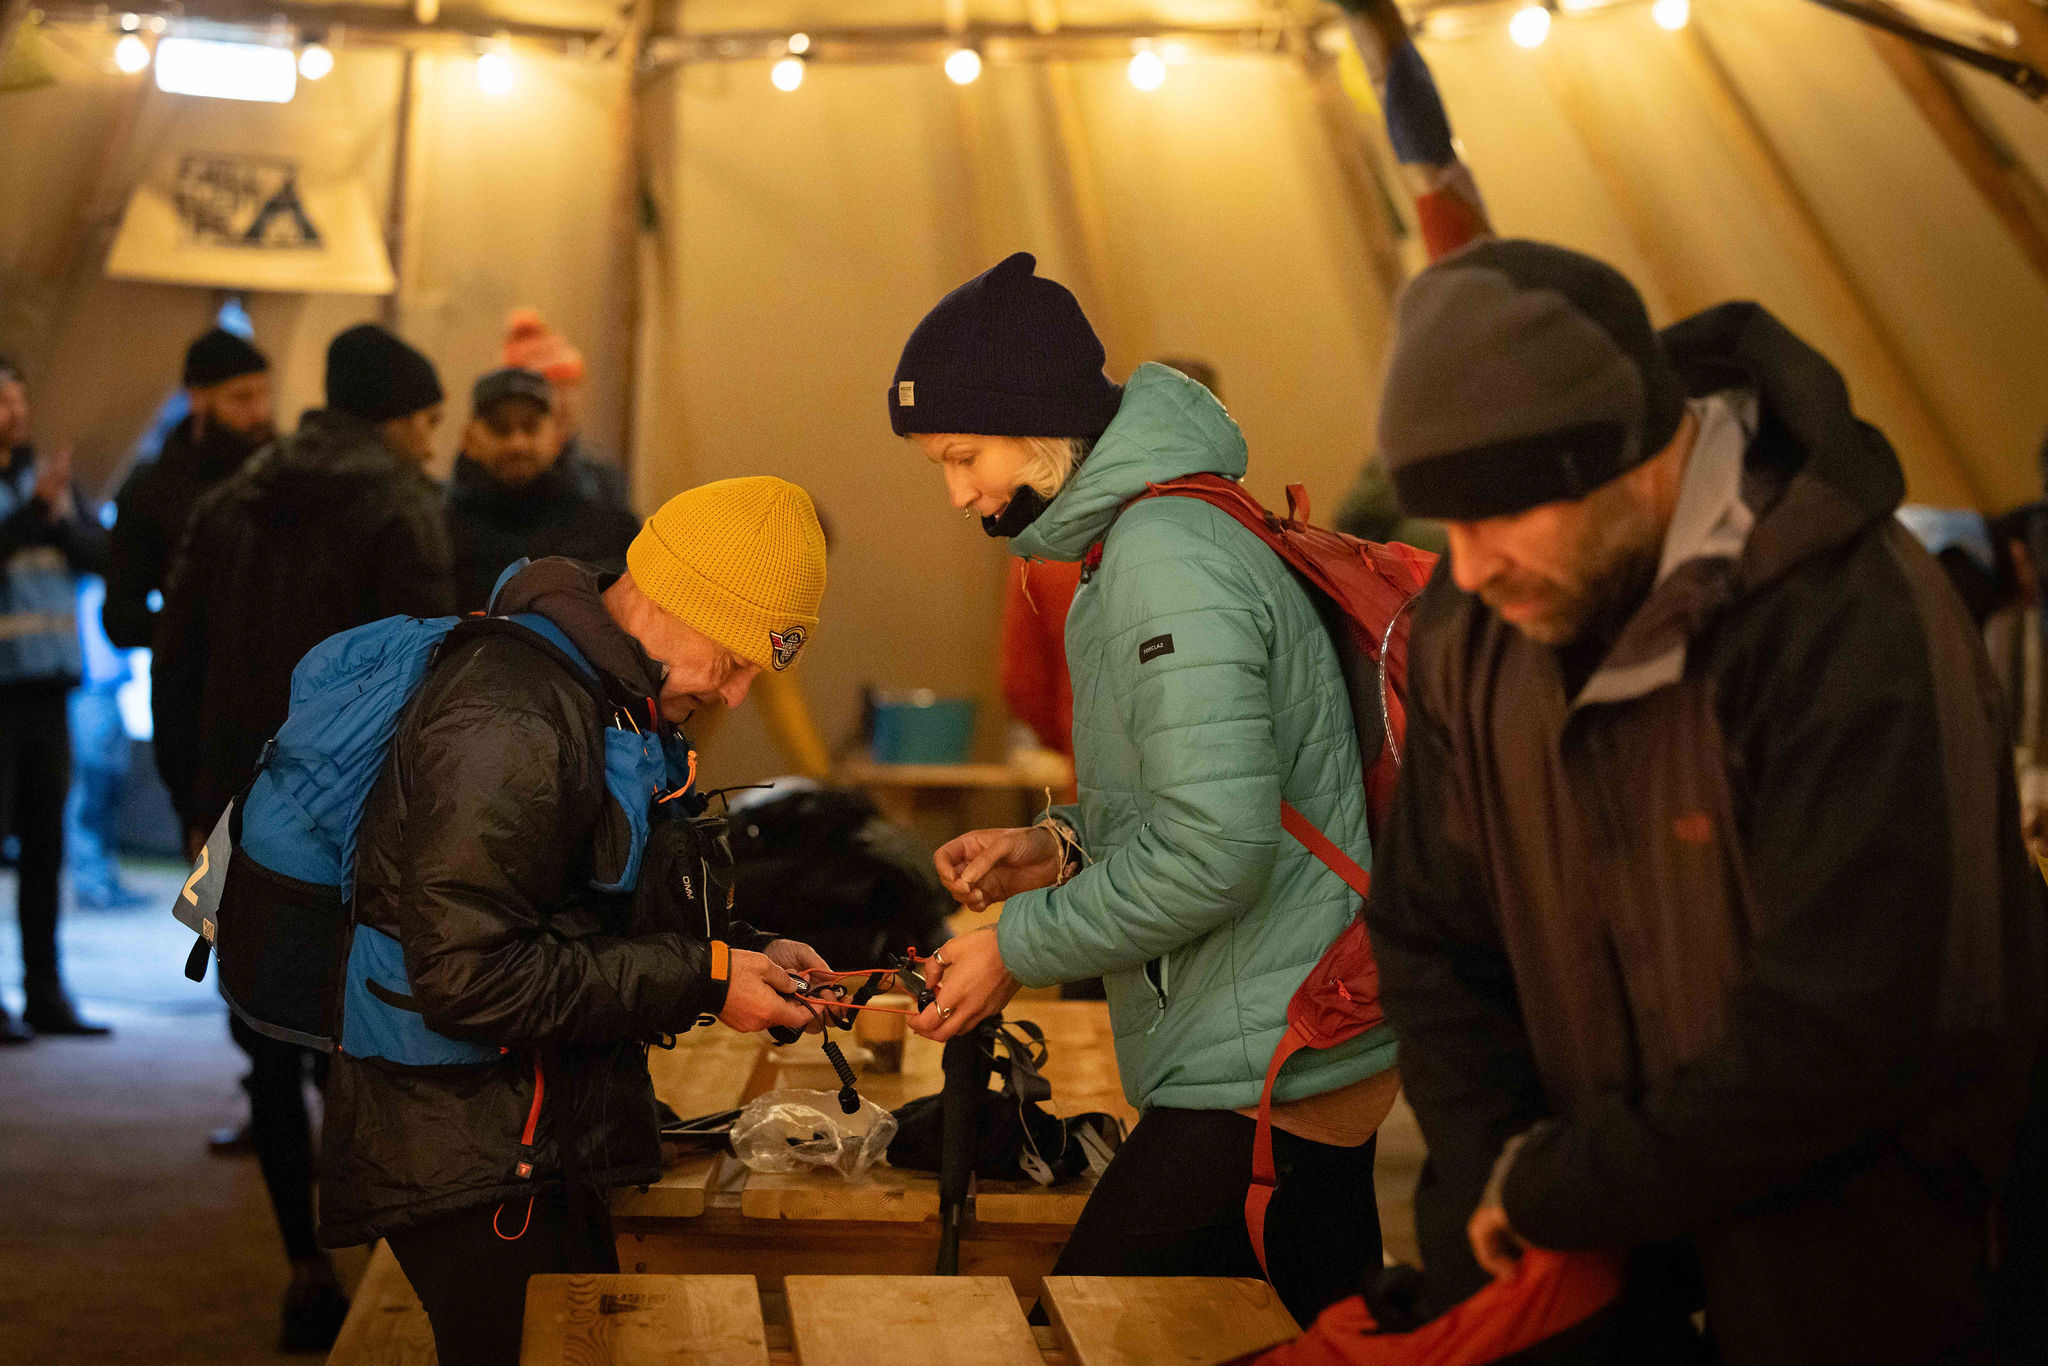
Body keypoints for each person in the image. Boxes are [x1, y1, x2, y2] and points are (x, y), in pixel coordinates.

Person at [1365, 239, 2047, 1363]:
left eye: (1499, 514)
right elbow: (1429, 932)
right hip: (1584, 1250)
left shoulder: (1849, 619)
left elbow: (1854, 1025)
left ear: (1636, 460)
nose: (1469, 566)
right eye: (1446, 524)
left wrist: (1562, 1184)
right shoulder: (1469, 627)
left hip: (1869, 1263)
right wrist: (1500, 1164)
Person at [888, 253, 1400, 1326]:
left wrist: (1013, 947)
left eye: (962, 455)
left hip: (1269, 1057)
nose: (956, 491)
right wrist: (1054, 846)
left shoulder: (1163, 556)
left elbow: (1216, 849)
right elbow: (1197, 793)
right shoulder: (1142, 542)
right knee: (1309, 1332)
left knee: (1088, 1329)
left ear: (1037, 428)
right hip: (1278, 1038)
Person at [323, 480, 832, 1366]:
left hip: (536, 1126)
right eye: (737, 658)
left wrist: (743, 954)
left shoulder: (607, 696)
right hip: (467, 1150)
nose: (738, 695)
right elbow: (468, 976)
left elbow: (589, 908)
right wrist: (704, 979)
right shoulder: (510, 714)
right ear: (676, 601)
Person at [152, 322, 454, 1352]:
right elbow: (428, 684)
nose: (430, 443)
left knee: (262, 1045)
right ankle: (382, 1276)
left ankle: (303, 1267)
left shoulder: (228, 501)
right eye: (425, 421)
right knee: (362, 1047)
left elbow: (170, 659)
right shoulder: (404, 508)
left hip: (239, 814)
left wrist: (194, 800)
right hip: (358, 827)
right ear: (394, 417)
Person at [0, 354, 111, 1043]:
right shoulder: (38, 493)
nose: (12, 412)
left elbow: (100, 552)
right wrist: (35, 518)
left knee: (46, 851)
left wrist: (57, 519)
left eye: (18, 398)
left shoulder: (53, 482)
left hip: (49, 692)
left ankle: (46, 992)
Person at [101, 327, 274, 649]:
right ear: (197, 398)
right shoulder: (152, 493)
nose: (260, 412)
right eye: (242, 397)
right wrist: (201, 631)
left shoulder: (288, 478)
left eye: (265, 394)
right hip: (197, 690)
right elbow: (121, 617)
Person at [445, 367, 640, 613]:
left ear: (557, 435)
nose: (518, 443)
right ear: (469, 439)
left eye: (530, 427)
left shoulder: (608, 528)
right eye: (500, 429)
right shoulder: (437, 532)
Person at [501, 308, 630, 508]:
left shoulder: (603, 479)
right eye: (553, 389)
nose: (564, 402)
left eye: (570, 387)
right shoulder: (495, 477)